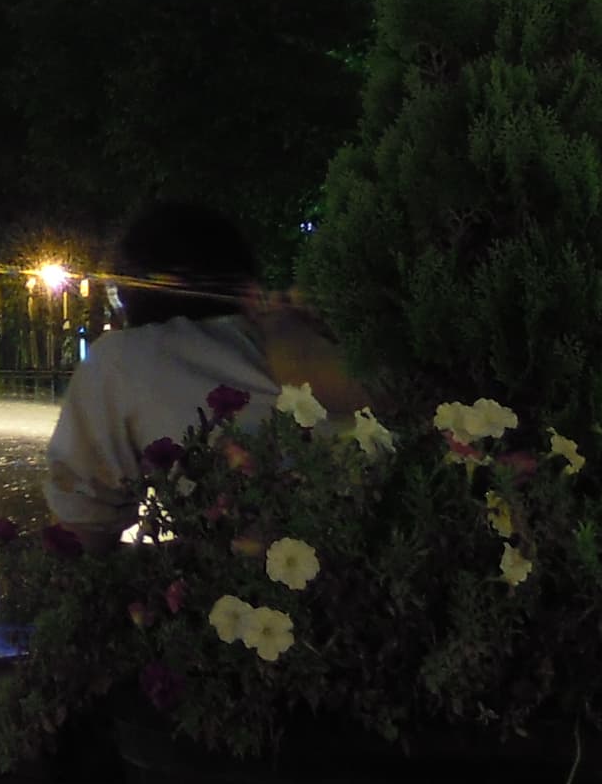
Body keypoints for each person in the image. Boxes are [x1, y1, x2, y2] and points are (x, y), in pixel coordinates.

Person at [42, 200, 365, 541]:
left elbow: (80, 526)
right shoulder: (316, 345)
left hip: (247, 585)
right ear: (247, 285)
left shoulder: (123, 360)